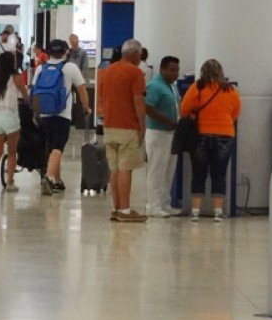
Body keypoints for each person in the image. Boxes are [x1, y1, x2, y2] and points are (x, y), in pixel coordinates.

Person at [180, 59, 241, 222]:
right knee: (219, 174)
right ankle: (218, 212)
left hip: (201, 134)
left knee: (198, 173)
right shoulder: (230, 89)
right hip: (225, 135)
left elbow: (184, 109)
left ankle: (195, 211)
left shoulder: (197, 87)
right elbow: (235, 112)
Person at [32, 39, 90, 195]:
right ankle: (49, 178)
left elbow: (34, 91)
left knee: (51, 146)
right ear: (66, 51)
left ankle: (57, 180)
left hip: (45, 113)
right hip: (62, 114)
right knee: (58, 147)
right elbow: (82, 90)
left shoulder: (40, 68)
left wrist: (36, 113)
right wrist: (86, 107)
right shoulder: (70, 67)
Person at [99, 39, 147, 223]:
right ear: (135, 54)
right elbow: (138, 102)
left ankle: (115, 208)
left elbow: (102, 98)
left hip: (109, 125)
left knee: (114, 168)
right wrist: (142, 127)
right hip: (127, 126)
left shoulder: (107, 71)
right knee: (126, 168)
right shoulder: (135, 72)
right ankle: (125, 210)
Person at [0, 52, 29, 192]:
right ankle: (10, 183)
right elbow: (25, 94)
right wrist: (27, 101)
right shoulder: (16, 77)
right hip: (10, 117)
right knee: (13, 152)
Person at [144, 56, 181, 218]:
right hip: (158, 133)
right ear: (162, 69)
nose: (175, 73)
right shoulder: (155, 86)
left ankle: (165, 203)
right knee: (157, 170)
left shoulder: (172, 86)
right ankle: (153, 205)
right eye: (172, 70)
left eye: (177, 70)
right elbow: (148, 107)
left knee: (168, 169)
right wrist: (167, 121)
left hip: (171, 134)